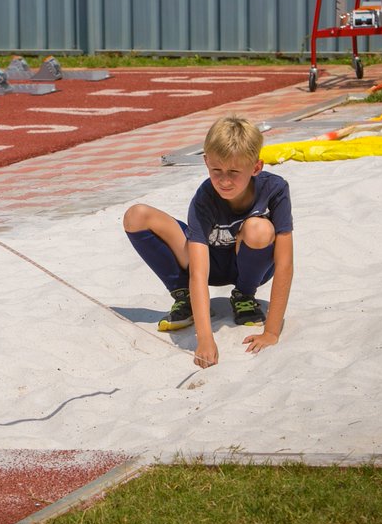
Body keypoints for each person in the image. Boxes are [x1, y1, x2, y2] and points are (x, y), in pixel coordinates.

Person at [123, 115, 293, 368]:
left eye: (234, 172)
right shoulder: (204, 197)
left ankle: (244, 295)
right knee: (136, 215)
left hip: (246, 264)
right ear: (206, 162)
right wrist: (205, 339)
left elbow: (285, 264)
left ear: (256, 168)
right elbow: (199, 274)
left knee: (260, 228)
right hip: (207, 263)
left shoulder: (275, 189)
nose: (224, 181)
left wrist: (271, 332)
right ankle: (184, 297)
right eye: (217, 171)